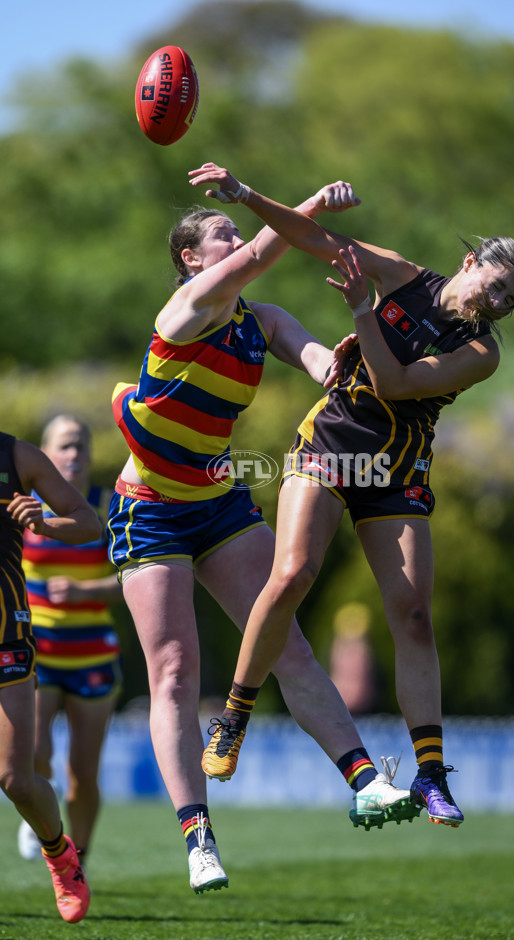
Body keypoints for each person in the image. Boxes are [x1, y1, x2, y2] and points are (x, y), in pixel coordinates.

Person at [106, 175, 420, 898]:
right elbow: (256, 254)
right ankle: (199, 839)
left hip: (217, 501)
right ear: (191, 259)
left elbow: (314, 360)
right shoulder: (186, 309)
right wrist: (304, 204)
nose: (233, 240)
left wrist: (340, 368)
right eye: (218, 234)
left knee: (288, 643)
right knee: (177, 671)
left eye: (231, 229)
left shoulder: (263, 320)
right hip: (148, 506)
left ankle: (366, 781)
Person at [194, 162, 514, 828]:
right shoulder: (405, 276)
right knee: (291, 574)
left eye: (511, 303)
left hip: (396, 470)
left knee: (412, 615)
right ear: (470, 263)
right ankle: (234, 715)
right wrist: (248, 194)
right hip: (330, 445)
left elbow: (395, 383)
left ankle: (431, 776)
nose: (499, 306)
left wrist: (360, 313)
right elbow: (312, 239)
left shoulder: (483, 351)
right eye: (497, 287)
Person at [0, 430, 100, 923]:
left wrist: (46, 521)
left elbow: (89, 523)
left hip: (6, 634)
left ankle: (61, 856)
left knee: (16, 779)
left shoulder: (17, 456)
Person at [17, 415, 123, 867]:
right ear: (45, 453)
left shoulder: (106, 505)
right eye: (64, 446)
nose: (74, 454)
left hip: (93, 655)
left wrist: (87, 591)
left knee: (84, 776)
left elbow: (140, 578)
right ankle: (39, 807)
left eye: (80, 445)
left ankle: (78, 860)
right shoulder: (22, 508)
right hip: (37, 654)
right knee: (34, 752)